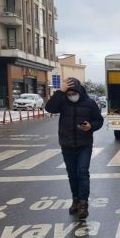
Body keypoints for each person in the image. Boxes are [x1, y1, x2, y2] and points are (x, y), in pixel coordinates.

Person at [45, 77, 104, 219]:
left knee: (82, 172)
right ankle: (75, 200)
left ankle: (83, 204)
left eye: (74, 93)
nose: (71, 96)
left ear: (79, 91)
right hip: (67, 144)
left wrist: (91, 126)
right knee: (72, 174)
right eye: (69, 93)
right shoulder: (63, 101)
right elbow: (49, 108)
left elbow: (99, 120)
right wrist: (60, 92)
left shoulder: (90, 103)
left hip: (84, 144)